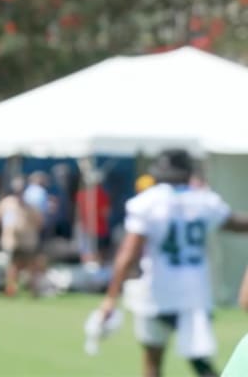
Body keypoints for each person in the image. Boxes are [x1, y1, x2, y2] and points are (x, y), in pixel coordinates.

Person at [99, 148, 248, 377]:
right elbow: (237, 224)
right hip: (194, 295)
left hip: (157, 293)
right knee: (201, 363)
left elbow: (129, 252)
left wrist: (111, 295)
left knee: (152, 363)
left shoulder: (148, 201)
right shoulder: (204, 200)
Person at [0, 175, 45, 297]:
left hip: (28, 241)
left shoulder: (30, 206)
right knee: (12, 267)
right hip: (12, 241)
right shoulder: (7, 203)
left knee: (31, 267)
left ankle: (33, 291)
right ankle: (11, 290)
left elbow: (39, 222)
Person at [76, 171, 113, 266]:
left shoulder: (81, 194)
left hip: (85, 228)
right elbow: (106, 213)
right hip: (99, 229)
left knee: (86, 252)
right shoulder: (102, 194)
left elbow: (79, 213)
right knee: (99, 254)